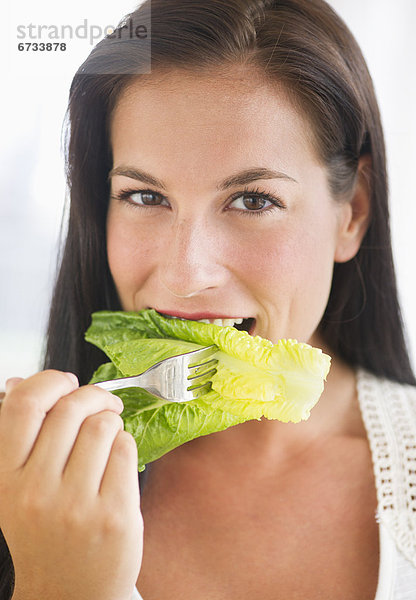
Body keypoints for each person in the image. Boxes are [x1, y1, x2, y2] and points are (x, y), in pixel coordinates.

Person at [1, 0, 415, 598]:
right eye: (144, 196)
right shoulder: (20, 486)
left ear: (352, 212)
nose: (185, 274)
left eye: (253, 200)